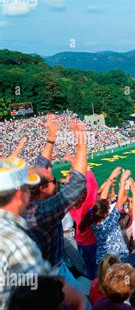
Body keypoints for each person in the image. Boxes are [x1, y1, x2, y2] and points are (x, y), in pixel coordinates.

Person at [0, 154, 85, 310]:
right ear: (19, 194)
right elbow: (42, 281)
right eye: (27, 188)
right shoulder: (17, 239)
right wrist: (76, 299)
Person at [23, 115, 88, 294]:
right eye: (53, 181)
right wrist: (81, 141)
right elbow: (77, 183)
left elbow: (41, 166)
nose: (57, 181)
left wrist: (51, 137)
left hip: (30, 274)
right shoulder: (42, 212)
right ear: (43, 189)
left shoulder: (20, 201)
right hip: (52, 273)